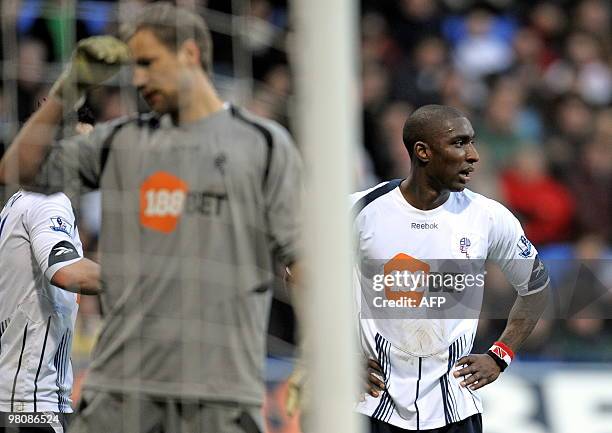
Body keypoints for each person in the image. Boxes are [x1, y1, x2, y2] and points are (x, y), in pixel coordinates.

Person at [0, 2, 302, 432]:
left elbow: (302, 260)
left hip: (220, 390)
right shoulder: (122, 141)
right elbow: (19, 171)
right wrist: (69, 90)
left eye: (147, 63)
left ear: (191, 55)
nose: (138, 78)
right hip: (121, 392)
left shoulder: (264, 146)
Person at [352, 105, 550, 432]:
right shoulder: (362, 210)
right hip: (370, 402)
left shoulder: (488, 217)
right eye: (459, 143)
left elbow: (537, 289)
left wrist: (501, 354)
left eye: (471, 142)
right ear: (423, 152)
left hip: (455, 409)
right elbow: (300, 276)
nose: (473, 155)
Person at [0, 190, 101, 433]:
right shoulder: (47, 201)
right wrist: (140, 282)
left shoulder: (13, 206)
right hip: (32, 404)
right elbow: (65, 271)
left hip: (15, 398)